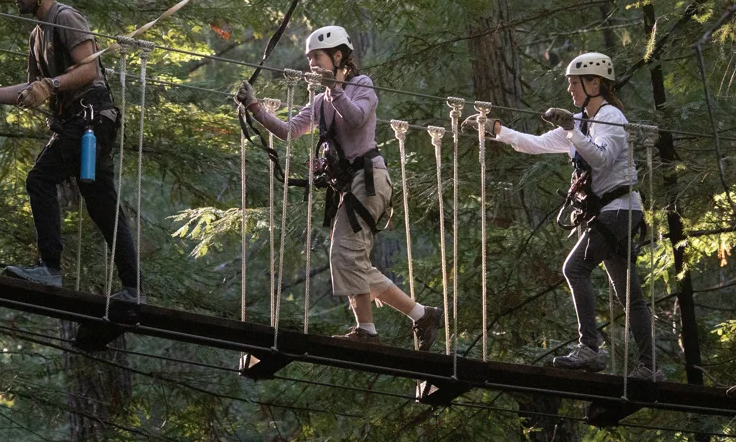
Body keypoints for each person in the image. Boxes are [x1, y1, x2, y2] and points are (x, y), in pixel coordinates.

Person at [235, 26, 442, 348]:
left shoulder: (362, 86)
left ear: (338, 56)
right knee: (351, 258)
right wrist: (255, 108)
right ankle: (417, 315)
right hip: (352, 186)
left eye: (316, 57)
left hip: (370, 179)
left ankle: (371, 330)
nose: (312, 65)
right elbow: (289, 131)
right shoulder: (319, 101)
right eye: (309, 59)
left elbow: (357, 119)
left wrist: (335, 90)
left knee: (346, 253)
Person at [0, 0, 139, 302]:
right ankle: (133, 289)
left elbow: (89, 71)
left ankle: (50, 268)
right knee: (101, 206)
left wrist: (51, 86)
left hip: (90, 118)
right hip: (83, 123)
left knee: (40, 179)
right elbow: (30, 90)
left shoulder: (64, 17)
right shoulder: (37, 34)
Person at [470, 52, 660, 378]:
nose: (570, 89)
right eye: (570, 83)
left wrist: (572, 130)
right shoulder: (580, 122)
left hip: (619, 211)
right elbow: (534, 143)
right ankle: (649, 367)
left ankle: (590, 349)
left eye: (575, 83)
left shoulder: (611, 118)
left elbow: (600, 159)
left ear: (595, 83)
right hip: (611, 213)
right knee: (630, 295)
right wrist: (495, 128)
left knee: (575, 267)